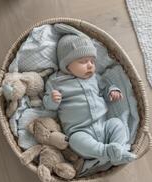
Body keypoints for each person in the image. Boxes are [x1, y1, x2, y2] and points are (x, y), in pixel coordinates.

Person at [43, 33, 136, 165]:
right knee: (74, 140)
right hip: (80, 130)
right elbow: (48, 105)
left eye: (92, 61)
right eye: (83, 61)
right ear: (66, 64)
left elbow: (104, 89)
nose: (90, 65)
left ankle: (117, 149)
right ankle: (107, 152)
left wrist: (112, 91)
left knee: (117, 123)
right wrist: (53, 100)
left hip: (103, 126)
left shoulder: (95, 78)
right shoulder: (56, 81)